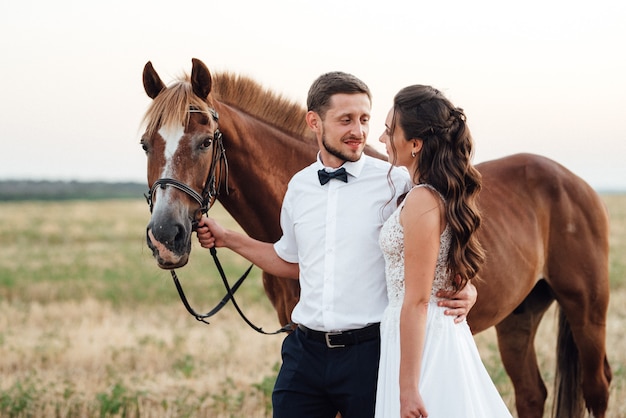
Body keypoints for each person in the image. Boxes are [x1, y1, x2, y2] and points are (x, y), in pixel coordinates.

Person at [196, 72, 477, 418]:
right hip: (305, 354)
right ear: (314, 121)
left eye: (364, 119)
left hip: (369, 355)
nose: (358, 131)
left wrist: (467, 287)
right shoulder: (298, 187)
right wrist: (227, 239)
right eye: (346, 120)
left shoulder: (395, 182)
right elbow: (292, 261)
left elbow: (441, 239)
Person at [374, 85, 512, 417]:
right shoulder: (430, 194)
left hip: (426, 341)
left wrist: (407, 389)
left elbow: (418, 300)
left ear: (415, 143)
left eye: (389, 130)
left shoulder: (423, 199)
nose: (381, 138)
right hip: (420, 331)